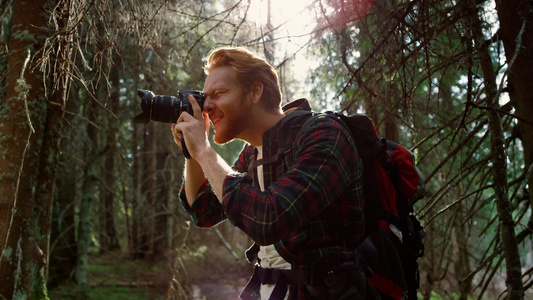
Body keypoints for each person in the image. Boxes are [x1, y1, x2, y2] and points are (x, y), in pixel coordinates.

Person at [171, 47, 371, 299]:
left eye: (218, 94)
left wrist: (204, 150)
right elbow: (204, 211)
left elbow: (269, 219)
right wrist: (192, 152)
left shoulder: (324, 134)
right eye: (204, 97)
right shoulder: (253, 153)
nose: (206, 107)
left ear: (255, 91)